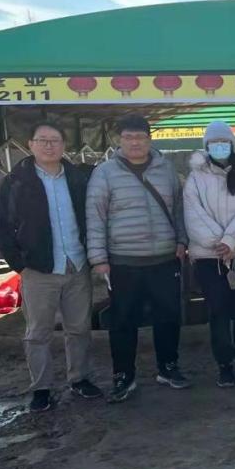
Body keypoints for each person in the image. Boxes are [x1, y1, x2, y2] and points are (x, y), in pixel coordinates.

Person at [0, 121, 101, 412]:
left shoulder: (78, 178)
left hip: (76, 264)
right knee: (38, 333)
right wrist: (19, 264)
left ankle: (79, 378)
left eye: (55, 140)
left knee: (78, 328)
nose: (49, 145)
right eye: (42, 140)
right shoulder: (16, 182)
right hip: (38, 270)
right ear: (30, 145)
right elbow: (1, 226)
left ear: (64, 145)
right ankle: (41, 388)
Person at [86, 114, 190, 402]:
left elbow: (179, 209)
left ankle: (168, 367)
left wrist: (182, 240)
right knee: (123, 320)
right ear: (119, 140)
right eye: (129, 137)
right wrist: (98, 258)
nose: (135, 143)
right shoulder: (104, 173)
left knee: (168, 316)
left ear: (149, 139)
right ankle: (124, 375)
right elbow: (95, 217)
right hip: (123, 261)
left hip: (164, 258)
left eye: (140, 137)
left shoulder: (165, 169)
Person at [184, 121, 235, 387]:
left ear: (231, 144)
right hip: (209, 258)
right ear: (207, 146)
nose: (219, 146)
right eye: (214, 143)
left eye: (224, 142)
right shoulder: (195, 179)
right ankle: (224, 364)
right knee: (217, 312)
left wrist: (230, 241)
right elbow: (193, 214)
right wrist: (218, 243)